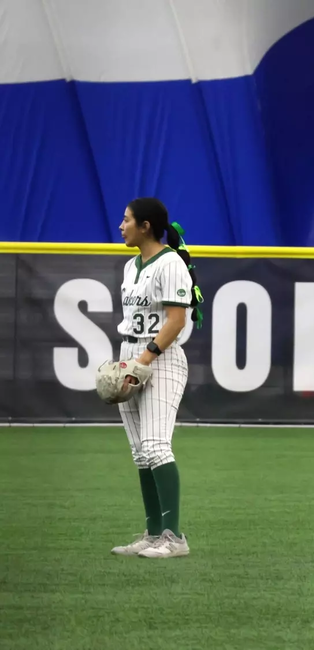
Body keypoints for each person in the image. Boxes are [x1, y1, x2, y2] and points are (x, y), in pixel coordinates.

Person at [109, 197, 201, 559]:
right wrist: (127, 362)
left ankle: (173, 537)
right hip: (130, 354)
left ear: (146, 226)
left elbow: (176, 321)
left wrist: (143, 360)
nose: (121, 225)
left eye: (127, 219)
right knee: (140, 453)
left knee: (156, 446)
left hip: (160, 359)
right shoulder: (131, 267)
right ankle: (151, 533)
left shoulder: (171, 263)